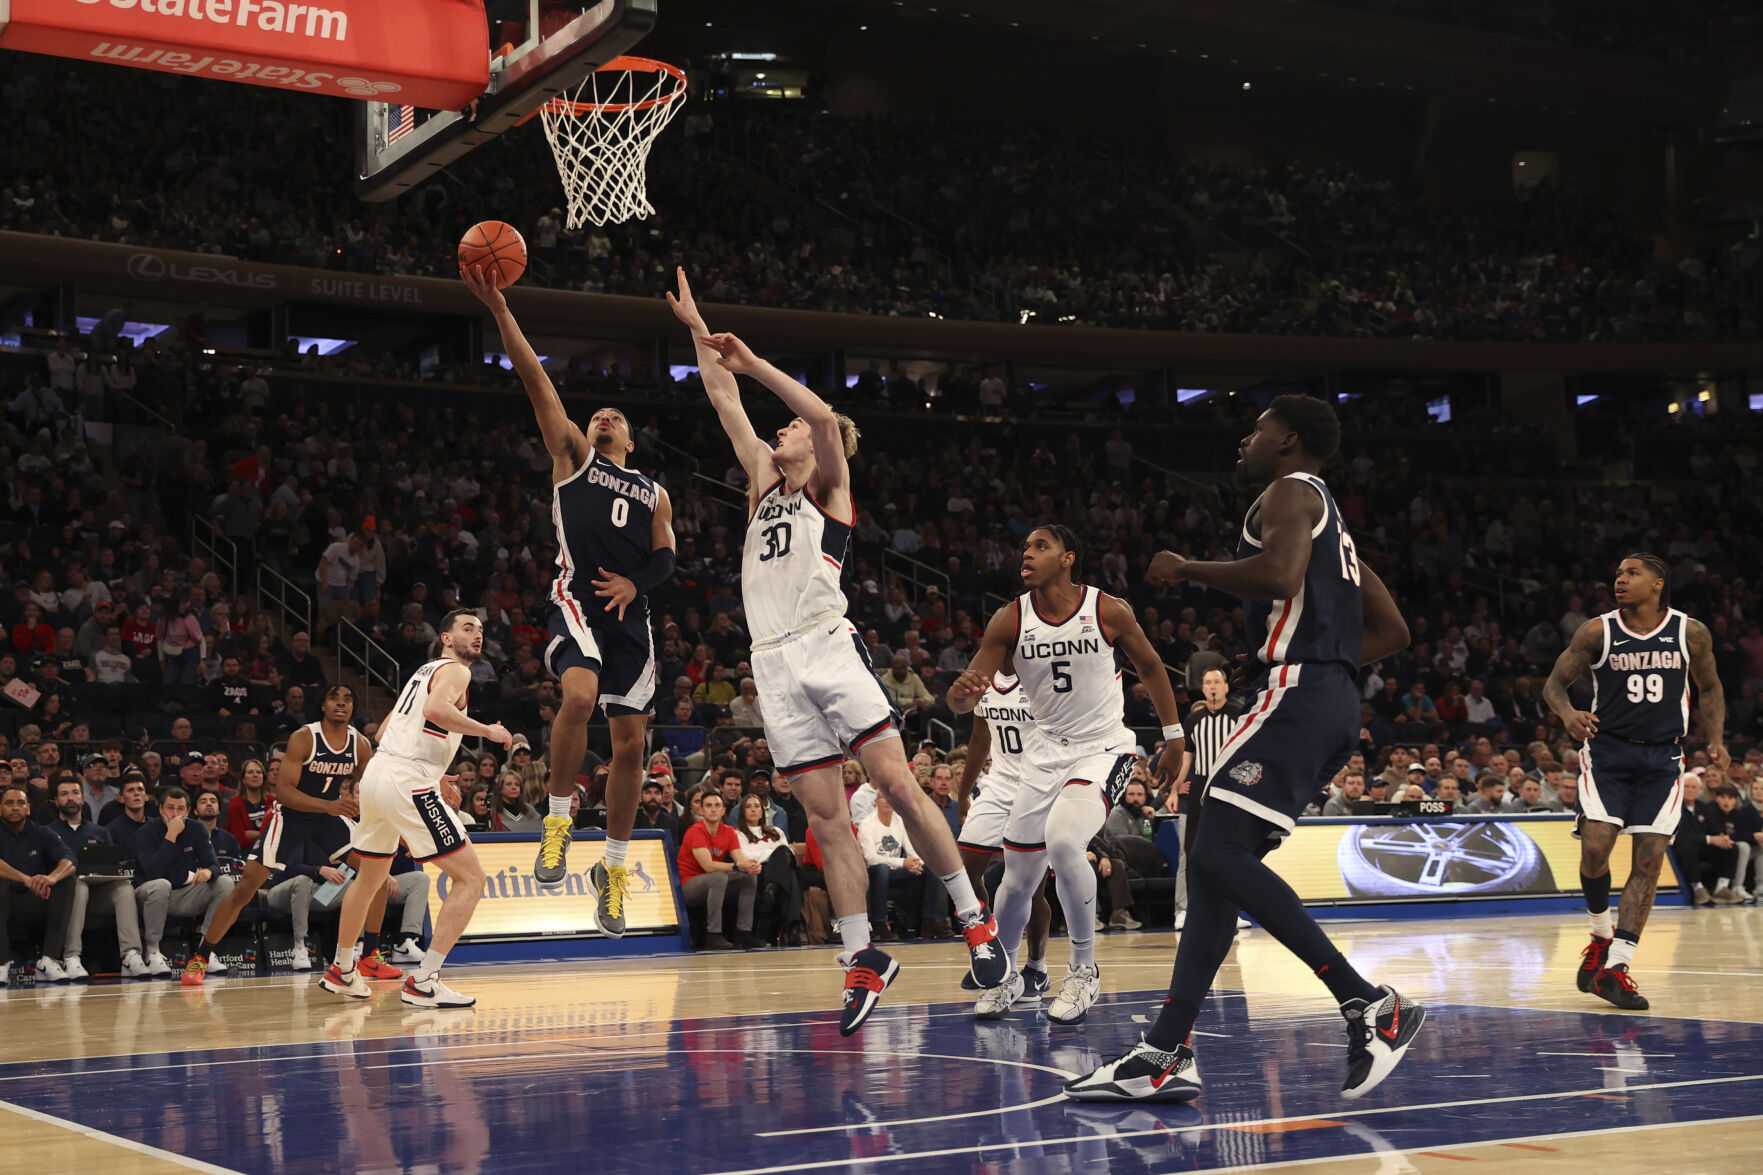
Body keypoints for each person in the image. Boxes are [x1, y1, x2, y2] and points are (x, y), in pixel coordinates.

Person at [669, 269, 999, 1036]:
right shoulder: (759, 480)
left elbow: (815, 412)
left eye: (787, 431)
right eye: (777, 430)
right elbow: (721, 397)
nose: (778, 431)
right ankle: (863, 956)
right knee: (823, 817)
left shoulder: (831, 485)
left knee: (895, 781)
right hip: (773, 662)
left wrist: (753, 363)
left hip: (826, 644)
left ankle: (972, 918)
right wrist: (695, 324)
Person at [1067, 395, 1421, 1104]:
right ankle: (1165, 1050)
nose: (1243, 437)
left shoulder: (1287, 492)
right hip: (1324, 697)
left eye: (1255, 427)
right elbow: (1394, 630)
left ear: (1287, 439)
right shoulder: (1334, 524)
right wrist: (1330, 666)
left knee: (1213, 856)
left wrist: (1188, 567)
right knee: (1216, 870)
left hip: (1297, 694)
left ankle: (1367, 1004)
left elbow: (1281, 577)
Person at [465, 268, 675, 936]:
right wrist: (500, 308)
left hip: (631, 617)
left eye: (616, 417)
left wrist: (639, 583)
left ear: (633, 440)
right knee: (578, 699)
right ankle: (557, 822)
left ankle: (610, 874)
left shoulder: (653, 490)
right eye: (597, 414)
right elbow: (536, 379)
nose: (603, 417)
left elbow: (667, 554)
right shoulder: (574, 458)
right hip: (578, 598)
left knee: (631, 745)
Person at [949, 523, 1183, 1024]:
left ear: (1068, 557)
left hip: (1103, 749)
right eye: (1024, 547)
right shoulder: (1009, 618)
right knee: (1016, 879)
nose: (1026, 554)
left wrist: (1175, 735)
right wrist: (963, 691)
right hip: (1042, 755)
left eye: (1039, 546)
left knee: (1062, 841)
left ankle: (1083, 970)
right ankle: (1010, 974)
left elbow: (1152, 667)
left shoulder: (1107, 610)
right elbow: (962, 696)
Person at [1545, 553, 1729, 1011]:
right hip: (1608, 751)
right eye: (1618, 574)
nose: (1620, 580)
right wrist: (1568, 713)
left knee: (1648, 861)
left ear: (1657, 584)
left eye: (1631, 573)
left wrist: (1717, 739)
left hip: (1663, 756)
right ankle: (1600, 935)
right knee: (1595, 847)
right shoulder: (1597, 630)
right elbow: (1553, 684)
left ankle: (1617, 966)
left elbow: (1709, 686)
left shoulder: (1691, 632)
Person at [322, 610, 508, 1008]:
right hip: (406, 779)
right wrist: (487, 731)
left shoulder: (422, 673)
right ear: (445, 637)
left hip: (378, 774)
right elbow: (436, 713)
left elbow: (386, 730)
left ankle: (342, 969)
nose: (476, 635)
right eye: (467, 628)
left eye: (480, 630)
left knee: (369, 877)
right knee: (471, 879)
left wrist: (437, 773)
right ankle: (424, 980)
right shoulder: (457, 672)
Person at [180, 686, 391, 986]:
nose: (342, 703)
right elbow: (285, 793)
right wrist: (329, 805)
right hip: (292, 816)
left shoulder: (359, 745)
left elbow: (374, 783)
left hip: (328, 818)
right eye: (335, 698)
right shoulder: (304, 738)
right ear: (323, 705)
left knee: (377, 872)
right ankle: (200, 957)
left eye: (348, 699)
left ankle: (370, 955)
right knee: (245, 889)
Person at [953, 671, 1052, 1002]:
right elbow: (980, 738)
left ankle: (1036, 967)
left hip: (1038, 788)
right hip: (997, 785)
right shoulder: (985, 682)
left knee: (1029, 890)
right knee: (961, 875)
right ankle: (990, 948)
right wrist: (964, 792)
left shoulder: (1043, 678)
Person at [1170, 666, 1245, 931]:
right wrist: (1173, 790)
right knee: (1193, 851)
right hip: (1200, 785)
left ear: (1226, 687)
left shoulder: (1239, 715)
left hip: (1229, 785)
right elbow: (1186, 759)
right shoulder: (1193, 720)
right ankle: (1191, 910)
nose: (1212, 686)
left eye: (1217, 681)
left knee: (1230, 851)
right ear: (1202, 689)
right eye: (1207, 683)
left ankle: (1230, 910)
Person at [48, 775, 143, 979]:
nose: (70, 798)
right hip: (63, 898)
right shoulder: (47, 832)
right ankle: (71, 956)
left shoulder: (100, 832)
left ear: (83, 798)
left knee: (124, 887)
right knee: (78, 884)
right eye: (64, 794)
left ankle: (131, 955)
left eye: (75, 793)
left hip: (97, 896)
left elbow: (112, 867)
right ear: (56, 801)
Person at [135, 787, 236, 977]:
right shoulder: (146, 832)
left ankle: (205, 950)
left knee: (225, 883)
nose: (175, 814)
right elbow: (155, 872)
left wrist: (207, 871)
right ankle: (152, 951)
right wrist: (171, 835)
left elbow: (214, 865)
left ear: (188, 812)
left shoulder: (196, 828)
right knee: (161, 885)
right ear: (160, 810)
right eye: (170, 808)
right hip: (148, 895)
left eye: (180, 809)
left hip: (182, 894)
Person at [0, 782, 76, 984]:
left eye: (20, 803)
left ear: (28, 808)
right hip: (4, 903)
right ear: (0, 808)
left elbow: (69, 859)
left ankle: (48, 960)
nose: (15, 807)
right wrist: (25, 879)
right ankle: (1, 964)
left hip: (33, 903)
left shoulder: (41, 832)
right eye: (9, 803)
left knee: (66, 880)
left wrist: (52, 877)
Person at [677, 790, 760, 950]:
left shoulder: (728, 831)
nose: (713, 809)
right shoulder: (696, 831)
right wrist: (737, 866)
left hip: (714, 882)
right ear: (701, 811)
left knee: (749, 877)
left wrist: (750, 866)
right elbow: (707, 866)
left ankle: (743, 932)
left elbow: (739, 859)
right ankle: (713, 934)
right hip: (689, 886)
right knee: (719, 877)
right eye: (708, 806)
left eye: (717, 805)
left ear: (723, 810)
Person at [732, 792, 803, 944]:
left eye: (757, 806)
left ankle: (773, 888)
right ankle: (792, 928)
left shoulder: (776, 831)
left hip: (780, 871)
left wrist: (768, 854)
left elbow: (788, 852)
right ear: (742, 812)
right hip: (759, 872)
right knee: (790, 875)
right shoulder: (737, 834)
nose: (753, 810)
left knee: (785, 860)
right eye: (748, 807)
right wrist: (772, 853)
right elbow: (746, 856)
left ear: (762, 811)